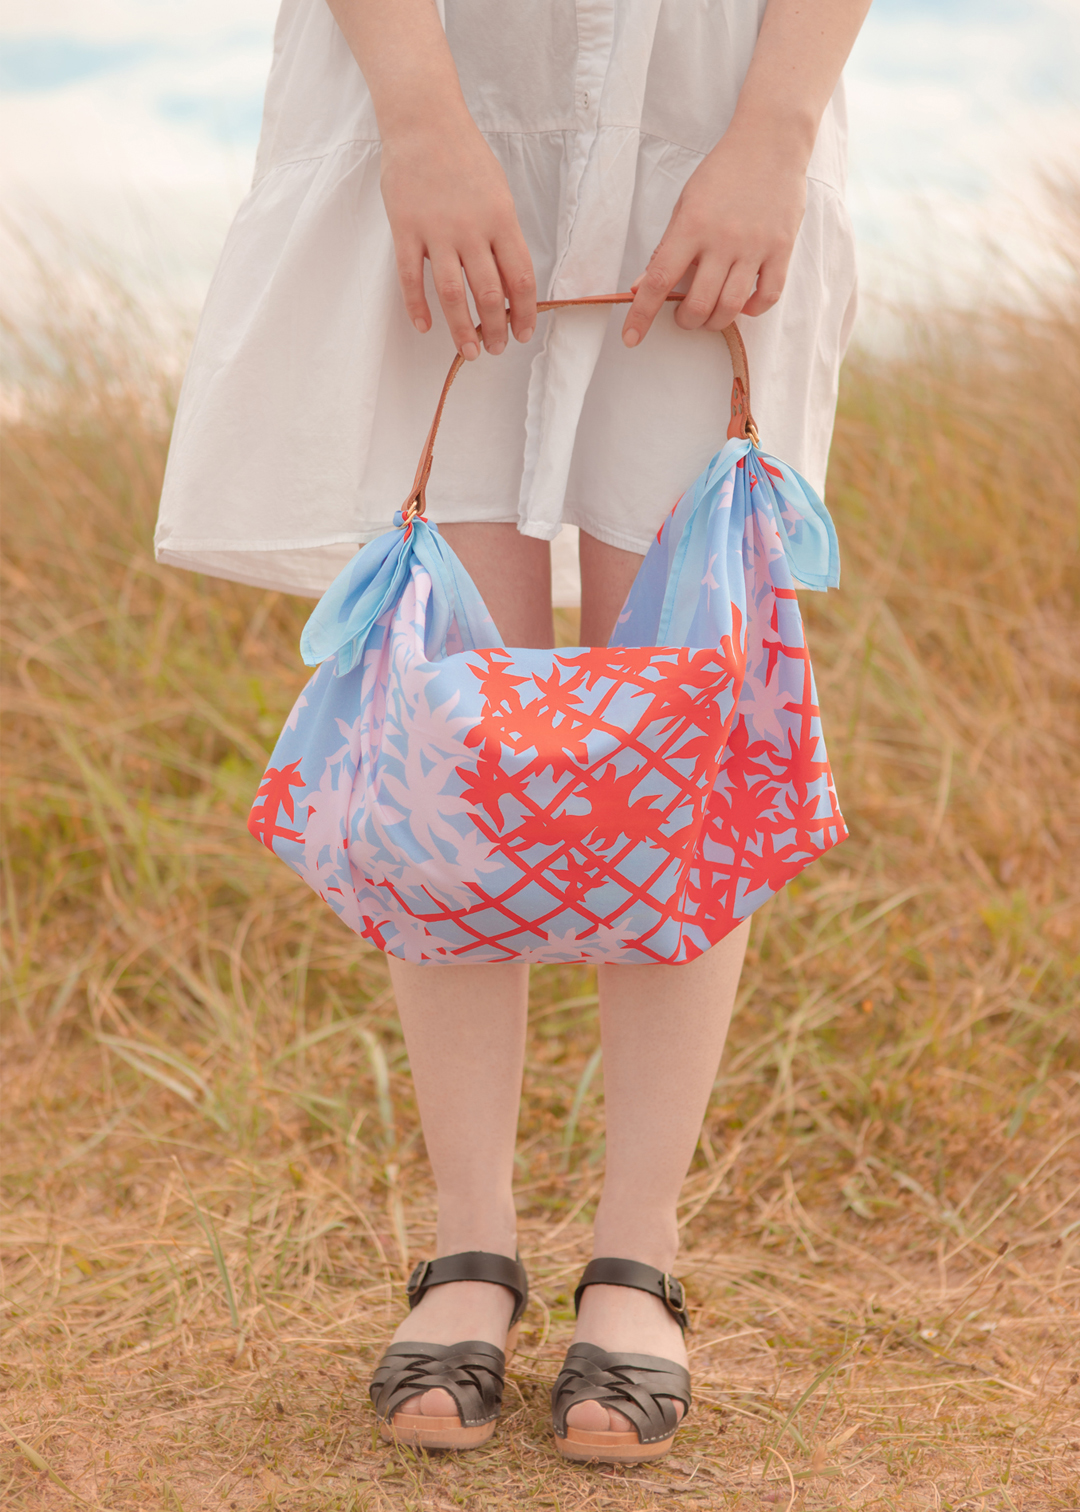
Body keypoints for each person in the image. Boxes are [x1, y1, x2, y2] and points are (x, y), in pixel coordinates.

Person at [156, 0, 871, 1465]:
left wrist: (777, 131)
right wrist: (418, 116)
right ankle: (469, 1248)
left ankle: (637, 1254)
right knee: (446, 725)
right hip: (438, 80)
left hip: (712, 93)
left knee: (680, 710)